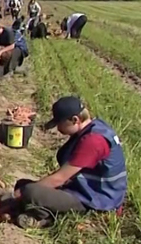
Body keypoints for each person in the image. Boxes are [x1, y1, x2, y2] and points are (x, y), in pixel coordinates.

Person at [12, 97, 126, 228]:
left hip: (96, 201)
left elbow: (59, 179)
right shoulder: (93, 128)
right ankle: (40, 212)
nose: (58, 128)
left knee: (30, 191)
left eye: (60, 123)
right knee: (24, 185)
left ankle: (49, 217)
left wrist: (16, 195)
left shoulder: (93, 141)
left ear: (75, 120)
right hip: (83, 190)